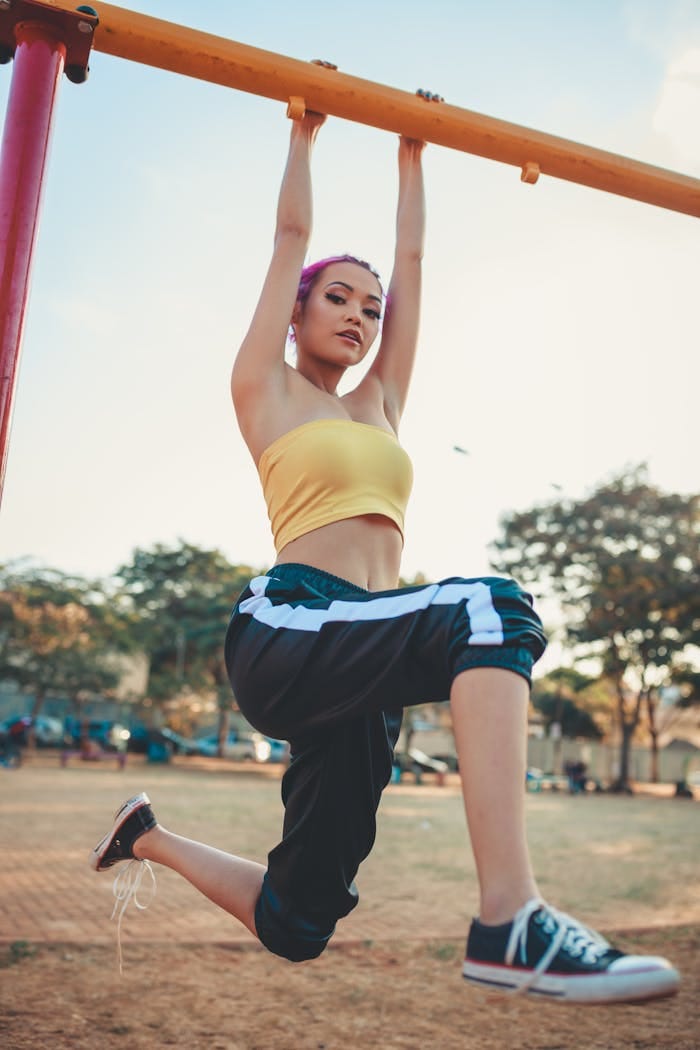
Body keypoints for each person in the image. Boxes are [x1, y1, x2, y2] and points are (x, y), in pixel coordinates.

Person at [91, 111, 679, 1004]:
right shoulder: (268, 388)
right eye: (338, 299)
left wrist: (414, 153)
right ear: (297, 308)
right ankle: (510, 919)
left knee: (299, 920)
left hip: (359, 662)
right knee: (493, 609)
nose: (360, 318)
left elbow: (411, 272)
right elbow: (291, 235)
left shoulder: (382, 406)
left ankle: (146, 837)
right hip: (290, 626)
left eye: (370, 311)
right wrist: (304, 126)